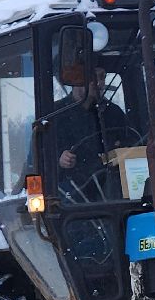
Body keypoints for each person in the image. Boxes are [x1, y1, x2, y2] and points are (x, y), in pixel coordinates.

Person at [49, 67, 132, 200]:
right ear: (76, 80)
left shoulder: (113, 113)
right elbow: (41, 156)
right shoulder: (55, 114)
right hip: (69, 201)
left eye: (102, 77)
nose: (99, 83)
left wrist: (120, 151)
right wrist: (60, 160)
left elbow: (133, 145)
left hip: (112, 195)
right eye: (93, 77)